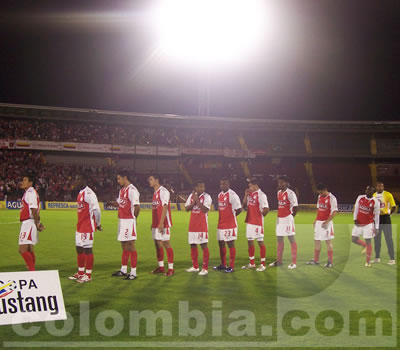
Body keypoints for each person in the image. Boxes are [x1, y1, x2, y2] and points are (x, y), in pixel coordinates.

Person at [69, 174, 102, 283]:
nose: (76, 181)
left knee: (88, 250)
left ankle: (88, 275)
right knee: (79, 249)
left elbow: (97, 211)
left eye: (78, 179)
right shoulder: (80, 193)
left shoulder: (89, 194)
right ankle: (80, 272)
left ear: (84, 180)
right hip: (79, 226)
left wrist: (98, 224)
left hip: (87, 226)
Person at [112, 170, 140, 280]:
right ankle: (123, 270)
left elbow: (137, 207)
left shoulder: (132, 190)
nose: (118, 181)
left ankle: (133, 272)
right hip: (121, 220)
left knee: (130, 245)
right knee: (123, 245)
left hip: (129, 221)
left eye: (119, 178)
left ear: (125, 178)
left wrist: (134, 220)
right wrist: (111, 203)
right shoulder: (122, 190)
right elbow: (120, 203)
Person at [213, 177, 242, 273]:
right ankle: (223, 264)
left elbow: (239, 209)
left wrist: (231, 216)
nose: (222, 185)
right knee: (221, 244)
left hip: (230, 224)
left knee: (230, 244)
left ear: (228, 184)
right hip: (221, 224)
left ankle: (231, 266)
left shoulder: (233, 195)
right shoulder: (220, 194)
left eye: (224, 184)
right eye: (221, 184)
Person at [269, 175, 298, 269]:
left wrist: (290, 217)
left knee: (291, 239)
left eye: (281, 182)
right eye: (279, 182)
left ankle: (294, 262)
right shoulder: (278, 193)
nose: (279, 184)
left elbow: (295, 207)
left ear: (286, 183)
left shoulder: (290, 193)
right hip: (279, 219)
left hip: (287, 219)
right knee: (279, 239)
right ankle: (279, 261)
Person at [148, 174, 174, 277]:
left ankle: (171, 269)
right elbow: (156, 209)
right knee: (157, 244)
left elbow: (164, 206)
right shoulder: (155, 192)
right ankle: (161, 267)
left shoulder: (164, 191)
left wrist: (161, 222)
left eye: (151, 179)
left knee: (166, 243)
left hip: (163, 223)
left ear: (157, 180)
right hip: (156, 223)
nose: (149, 181)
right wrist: (153, 223)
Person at [306, 183, 338, 268]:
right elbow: (319, 209)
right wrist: (316, 220)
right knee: (317, 240)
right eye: (319, 193)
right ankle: (316, 260)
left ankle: (330, 261)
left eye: (321, 192)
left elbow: (334, 211)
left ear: (325, 190)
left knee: (328, 241)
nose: (320, 194)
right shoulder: (320, 197)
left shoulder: (332, 198)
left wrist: (327, 221)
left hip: (326, 223)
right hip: (319, 223)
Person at [241, 177, 269, 272]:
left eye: (250, 185)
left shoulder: (261, 195)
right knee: (250, 242)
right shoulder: (250, 194)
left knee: (260, 242)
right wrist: (245, 195)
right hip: (249, 222)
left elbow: (266, 209)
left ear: (255, 185)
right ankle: (252, 263)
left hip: (257, 223)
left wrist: (259, 217)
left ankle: (263, 264)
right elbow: (244, 206)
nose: (249, 187)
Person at [185, 180, 212, 276]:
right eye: (200, 186)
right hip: (192, 225)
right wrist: (194, 202)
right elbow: (187, 208)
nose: (202, 188)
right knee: (192, 245)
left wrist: (197, 200)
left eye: (203, 186)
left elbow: (205, 210)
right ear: (195, 187)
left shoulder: (207, 197)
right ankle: (195, 267)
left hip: (202, 226)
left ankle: (205, 268)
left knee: (203, 245)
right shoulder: (191, 196)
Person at [18, 172, 44, 271]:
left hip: (28, 223)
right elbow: (36, 210)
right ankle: (31, 269)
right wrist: (38, 222)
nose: (22, 182)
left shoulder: (30, 192)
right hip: (30, 222)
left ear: (30, 182)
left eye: (25, 180)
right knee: (29, 249)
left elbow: (33, 209)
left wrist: (37, 223)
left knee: (22, 249)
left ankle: (32, 272)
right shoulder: (30, 192)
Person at [351, 186, 380, 267]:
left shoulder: (375, 202)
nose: (367, 191)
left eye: (370, 190)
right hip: (359, 223)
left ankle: (368, 261)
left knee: (368, 241)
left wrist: (377, 227)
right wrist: (355, 219)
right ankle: (364, 246)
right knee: (354, 239)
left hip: (368, 224)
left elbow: (377, 215)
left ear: (373, 192)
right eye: (367, 189)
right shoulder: (360, 197)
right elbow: (356, 208)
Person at [373, 181, 396, 265]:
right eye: (379, 186)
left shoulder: (388, 194)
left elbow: (393, 206)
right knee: (376, 239)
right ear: (376, 187)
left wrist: (389, 213)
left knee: (388, 238)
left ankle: (392, 259)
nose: (380, 188)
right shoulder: (373, 196)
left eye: (382, 186)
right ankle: (377, 257)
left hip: (385, 218)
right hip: (377, 219)